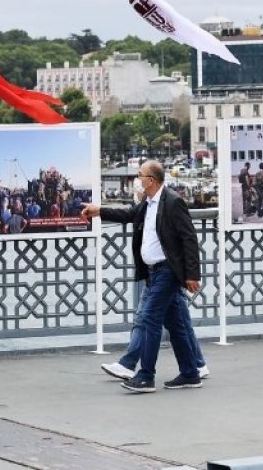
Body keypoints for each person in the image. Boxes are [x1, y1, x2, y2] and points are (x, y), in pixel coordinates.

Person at [83, 160, 201, 393]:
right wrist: (99, 211)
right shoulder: (148, 204)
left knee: (149, 319)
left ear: (151, 180)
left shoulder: (173, 202)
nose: (138, 179)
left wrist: (192, 274)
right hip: (153, 272)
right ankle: (190, 373)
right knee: (176, 325)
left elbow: (189, 239)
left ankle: (146, 375)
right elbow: (127, 214)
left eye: (140, 175)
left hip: (167, 270)